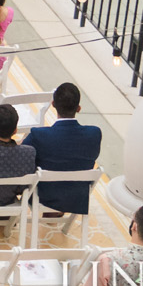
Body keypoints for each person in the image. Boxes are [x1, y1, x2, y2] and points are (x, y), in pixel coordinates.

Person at [23, 82, 103, 218]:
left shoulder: (39, 135)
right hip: (77, 197)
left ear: (53, 104)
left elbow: (21, 156)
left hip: (44, 195)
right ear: (78, 108)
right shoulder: (94, 134)